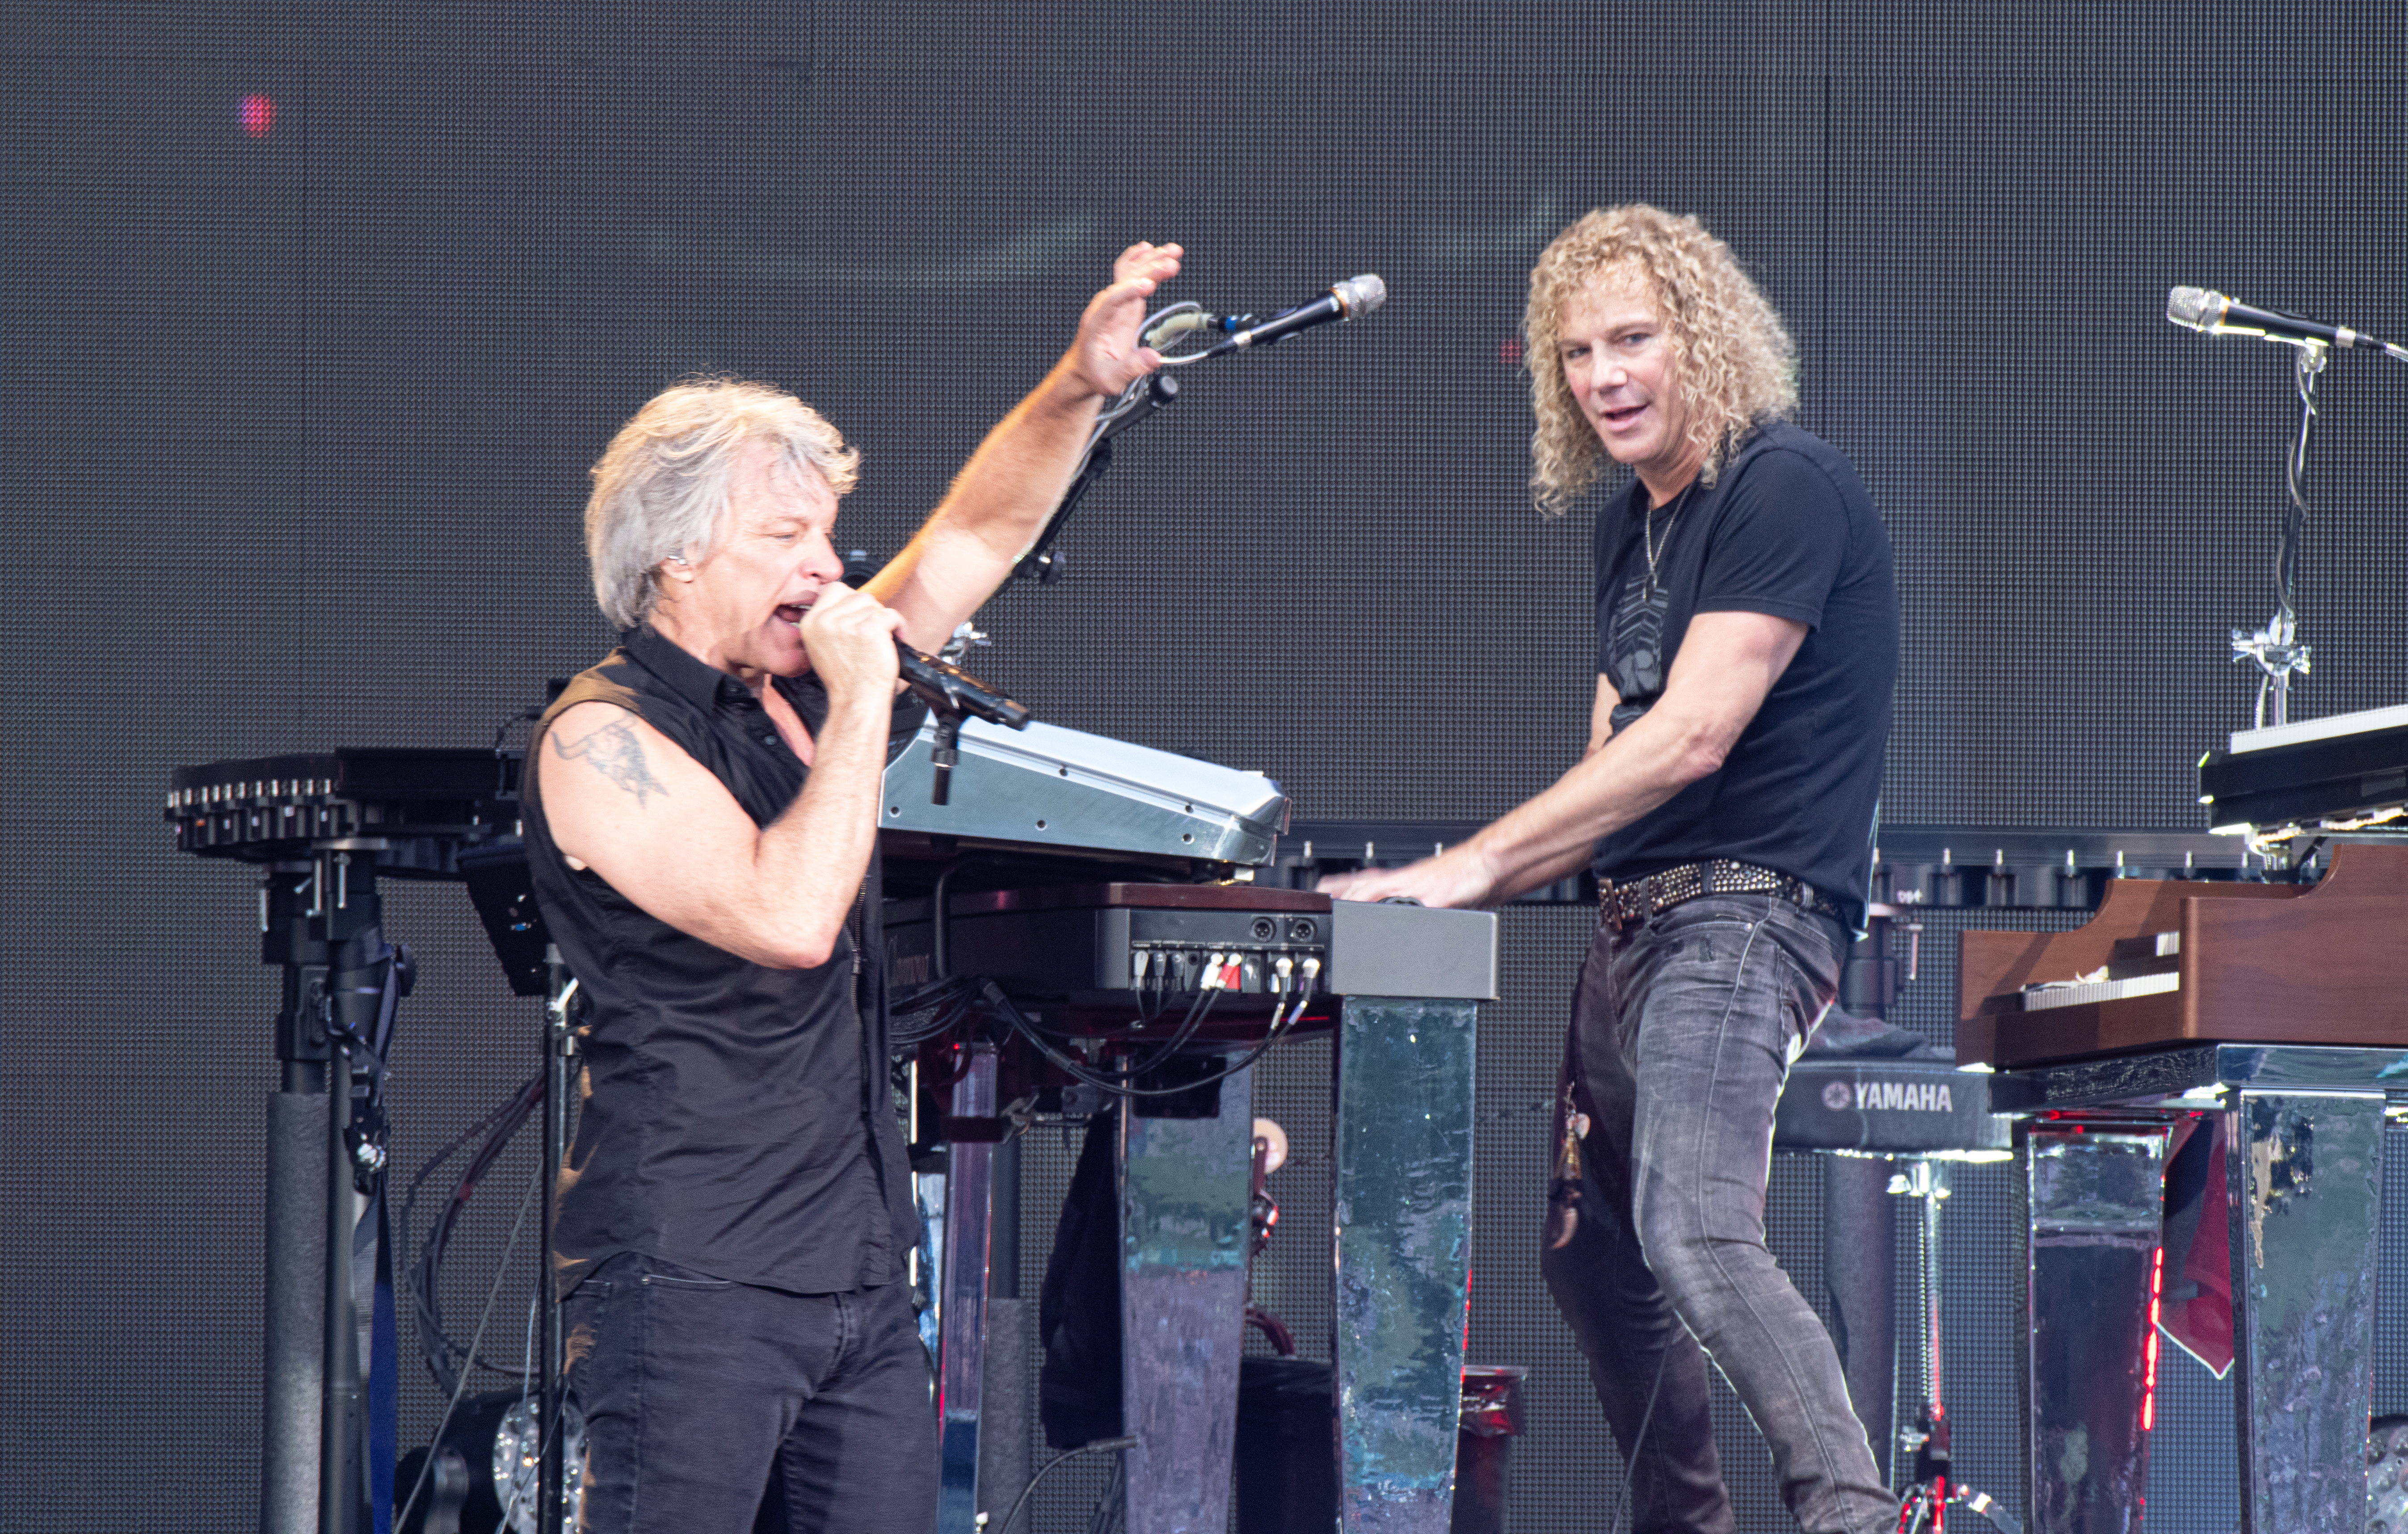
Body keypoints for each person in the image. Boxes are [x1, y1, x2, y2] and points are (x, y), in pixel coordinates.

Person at [523, 240, 1183, 1533]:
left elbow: (974, 533)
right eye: (785, 537)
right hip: (691, 1275)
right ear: (676, 560)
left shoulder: (796, 699)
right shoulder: (597, 739)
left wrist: (1078, 383)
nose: (828, 570)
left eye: (826, 534)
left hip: (855, 1276)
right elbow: (786, 915)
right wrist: (873, 692)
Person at [1318, 205, 1899, 1534]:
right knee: (1597, 1269)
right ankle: (1679, 1523)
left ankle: (1849, 1515)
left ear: (1703, 340)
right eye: (1575, 352)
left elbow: (1690, 738)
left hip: (1743, 911)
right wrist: (1425, 890)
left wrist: (1466, 868)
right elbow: (1606, 774)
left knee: (1693, 1232)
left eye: (1632, 338)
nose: (1603, 376)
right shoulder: (1628, 531)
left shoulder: (1781, 484)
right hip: (1636, 925)